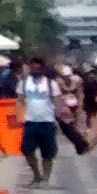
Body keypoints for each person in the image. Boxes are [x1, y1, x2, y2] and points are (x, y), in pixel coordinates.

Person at [19, 55, 63, 185]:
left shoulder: (51, 84)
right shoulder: (24, 83)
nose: (35, 71)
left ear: (42, 69)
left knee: (48, 153)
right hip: (30, 121)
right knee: (27, 150)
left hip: (47, 121)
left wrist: (58, 118)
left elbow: (57, 101)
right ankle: (36, 175)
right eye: (33, 69)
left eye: (38, 69)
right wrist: (19, 118)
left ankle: (45, 178)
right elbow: (20, 101)